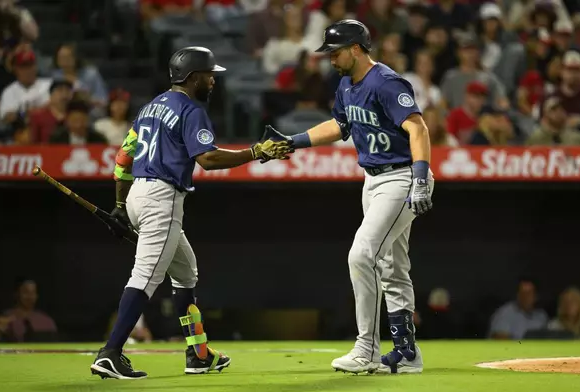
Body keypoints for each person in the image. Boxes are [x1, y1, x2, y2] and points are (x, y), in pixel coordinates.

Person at [89, 46, 293, 380]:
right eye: (209, 75)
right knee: (145, 276)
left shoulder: (149, 108)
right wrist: (255, 151)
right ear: (192, 77)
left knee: (186, 273)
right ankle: (111, 352)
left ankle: (198, 354)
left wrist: (121, 206)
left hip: (140, 193)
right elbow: (208, 159)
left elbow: (123, 160)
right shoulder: (191, 108)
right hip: (162, 197)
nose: (213, 80)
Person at [264, 20, 433, 374]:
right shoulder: (346, 85)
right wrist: (294, 141)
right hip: (372, 180)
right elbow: (340, 127)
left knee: (362, 256)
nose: (330, 59)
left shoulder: (385, 82)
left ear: (356, 48)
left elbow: (417, 127)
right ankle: (406, 353)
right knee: (392, 267)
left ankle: (367, 349)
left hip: (402, 176)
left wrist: (419, 177)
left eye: (335, 52)